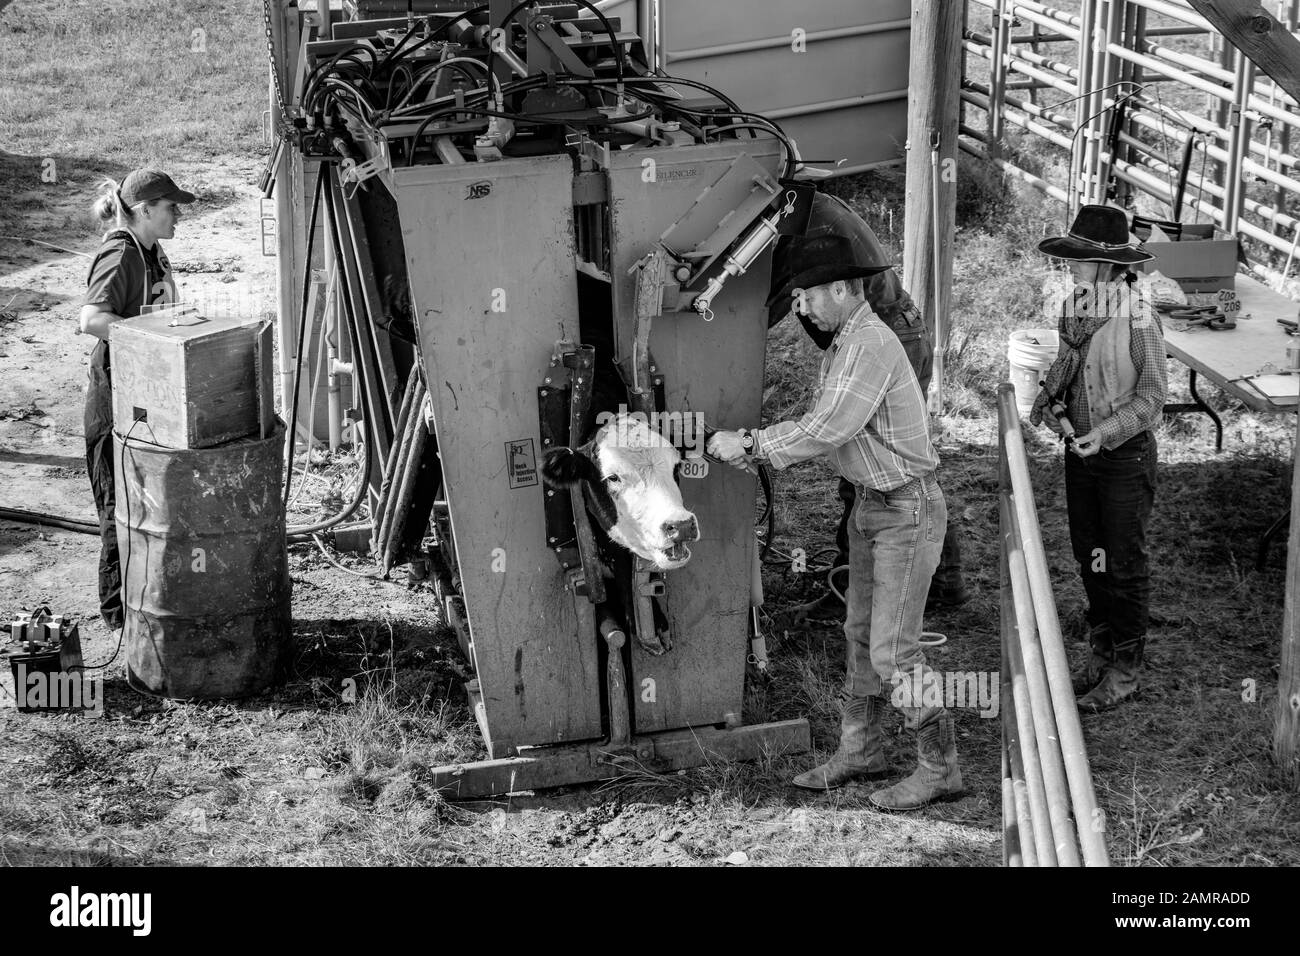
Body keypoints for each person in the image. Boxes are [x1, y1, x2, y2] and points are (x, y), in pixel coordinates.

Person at [709, 235, 962, 810]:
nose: (801, 307)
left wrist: (750, 443)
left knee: (893, 651)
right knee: (859, 636)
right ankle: (861, 750)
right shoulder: (846, 344)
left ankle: (941, 767)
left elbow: (827, 428)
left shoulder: (870, 343)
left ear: (845, 290)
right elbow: (824, 424)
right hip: (873, 505)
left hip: (905, 508)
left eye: (808, 295)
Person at [767, 194, 968, 619]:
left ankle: (853, 590)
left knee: (873, 471)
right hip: (900, 324)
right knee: (899, 462)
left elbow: (773, 298)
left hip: (888, 329)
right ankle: (944, 580)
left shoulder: (797, 222)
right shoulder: (806, 207)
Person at [1030, 204, 1167, 713]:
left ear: (1108, 265)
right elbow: (1065, 366)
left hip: (1124, 457)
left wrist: (1104, 433)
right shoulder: (1073, 307)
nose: (1071, 265)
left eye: (1080, 258)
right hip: (1079, 451)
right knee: (1090, 552)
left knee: (1124, 559)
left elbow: (1151, 397)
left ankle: (1126, 669)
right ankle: (1103, 646)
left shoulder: (1140, 317)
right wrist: (1050, 402)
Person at [78, 169, 196, 636]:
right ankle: (119, 620)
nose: (179, 214)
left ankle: (145, 609)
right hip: (114, 392)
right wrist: (152, 336)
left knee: (145, 503)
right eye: (171, 207)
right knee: (119, 507)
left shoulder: (152, 250)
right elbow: (91, 319)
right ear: (145, 209)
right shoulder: (121, 251)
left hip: (140, 393)